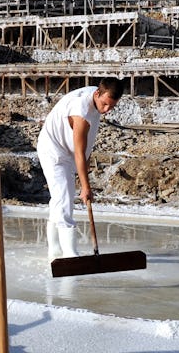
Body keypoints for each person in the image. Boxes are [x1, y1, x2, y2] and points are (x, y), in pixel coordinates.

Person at [36, 79, 122, 259]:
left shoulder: (97, 99)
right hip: (53, 150)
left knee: (60, 199)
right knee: (64, 199)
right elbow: (79, 153)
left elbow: (86, 150)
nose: (106, 110)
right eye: (105, 104)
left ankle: (55, 250)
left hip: (69, 150)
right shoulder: (81, 111)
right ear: (97, 94)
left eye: (111, 107)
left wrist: (85, 183)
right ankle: (70, 254)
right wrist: (85, 187)